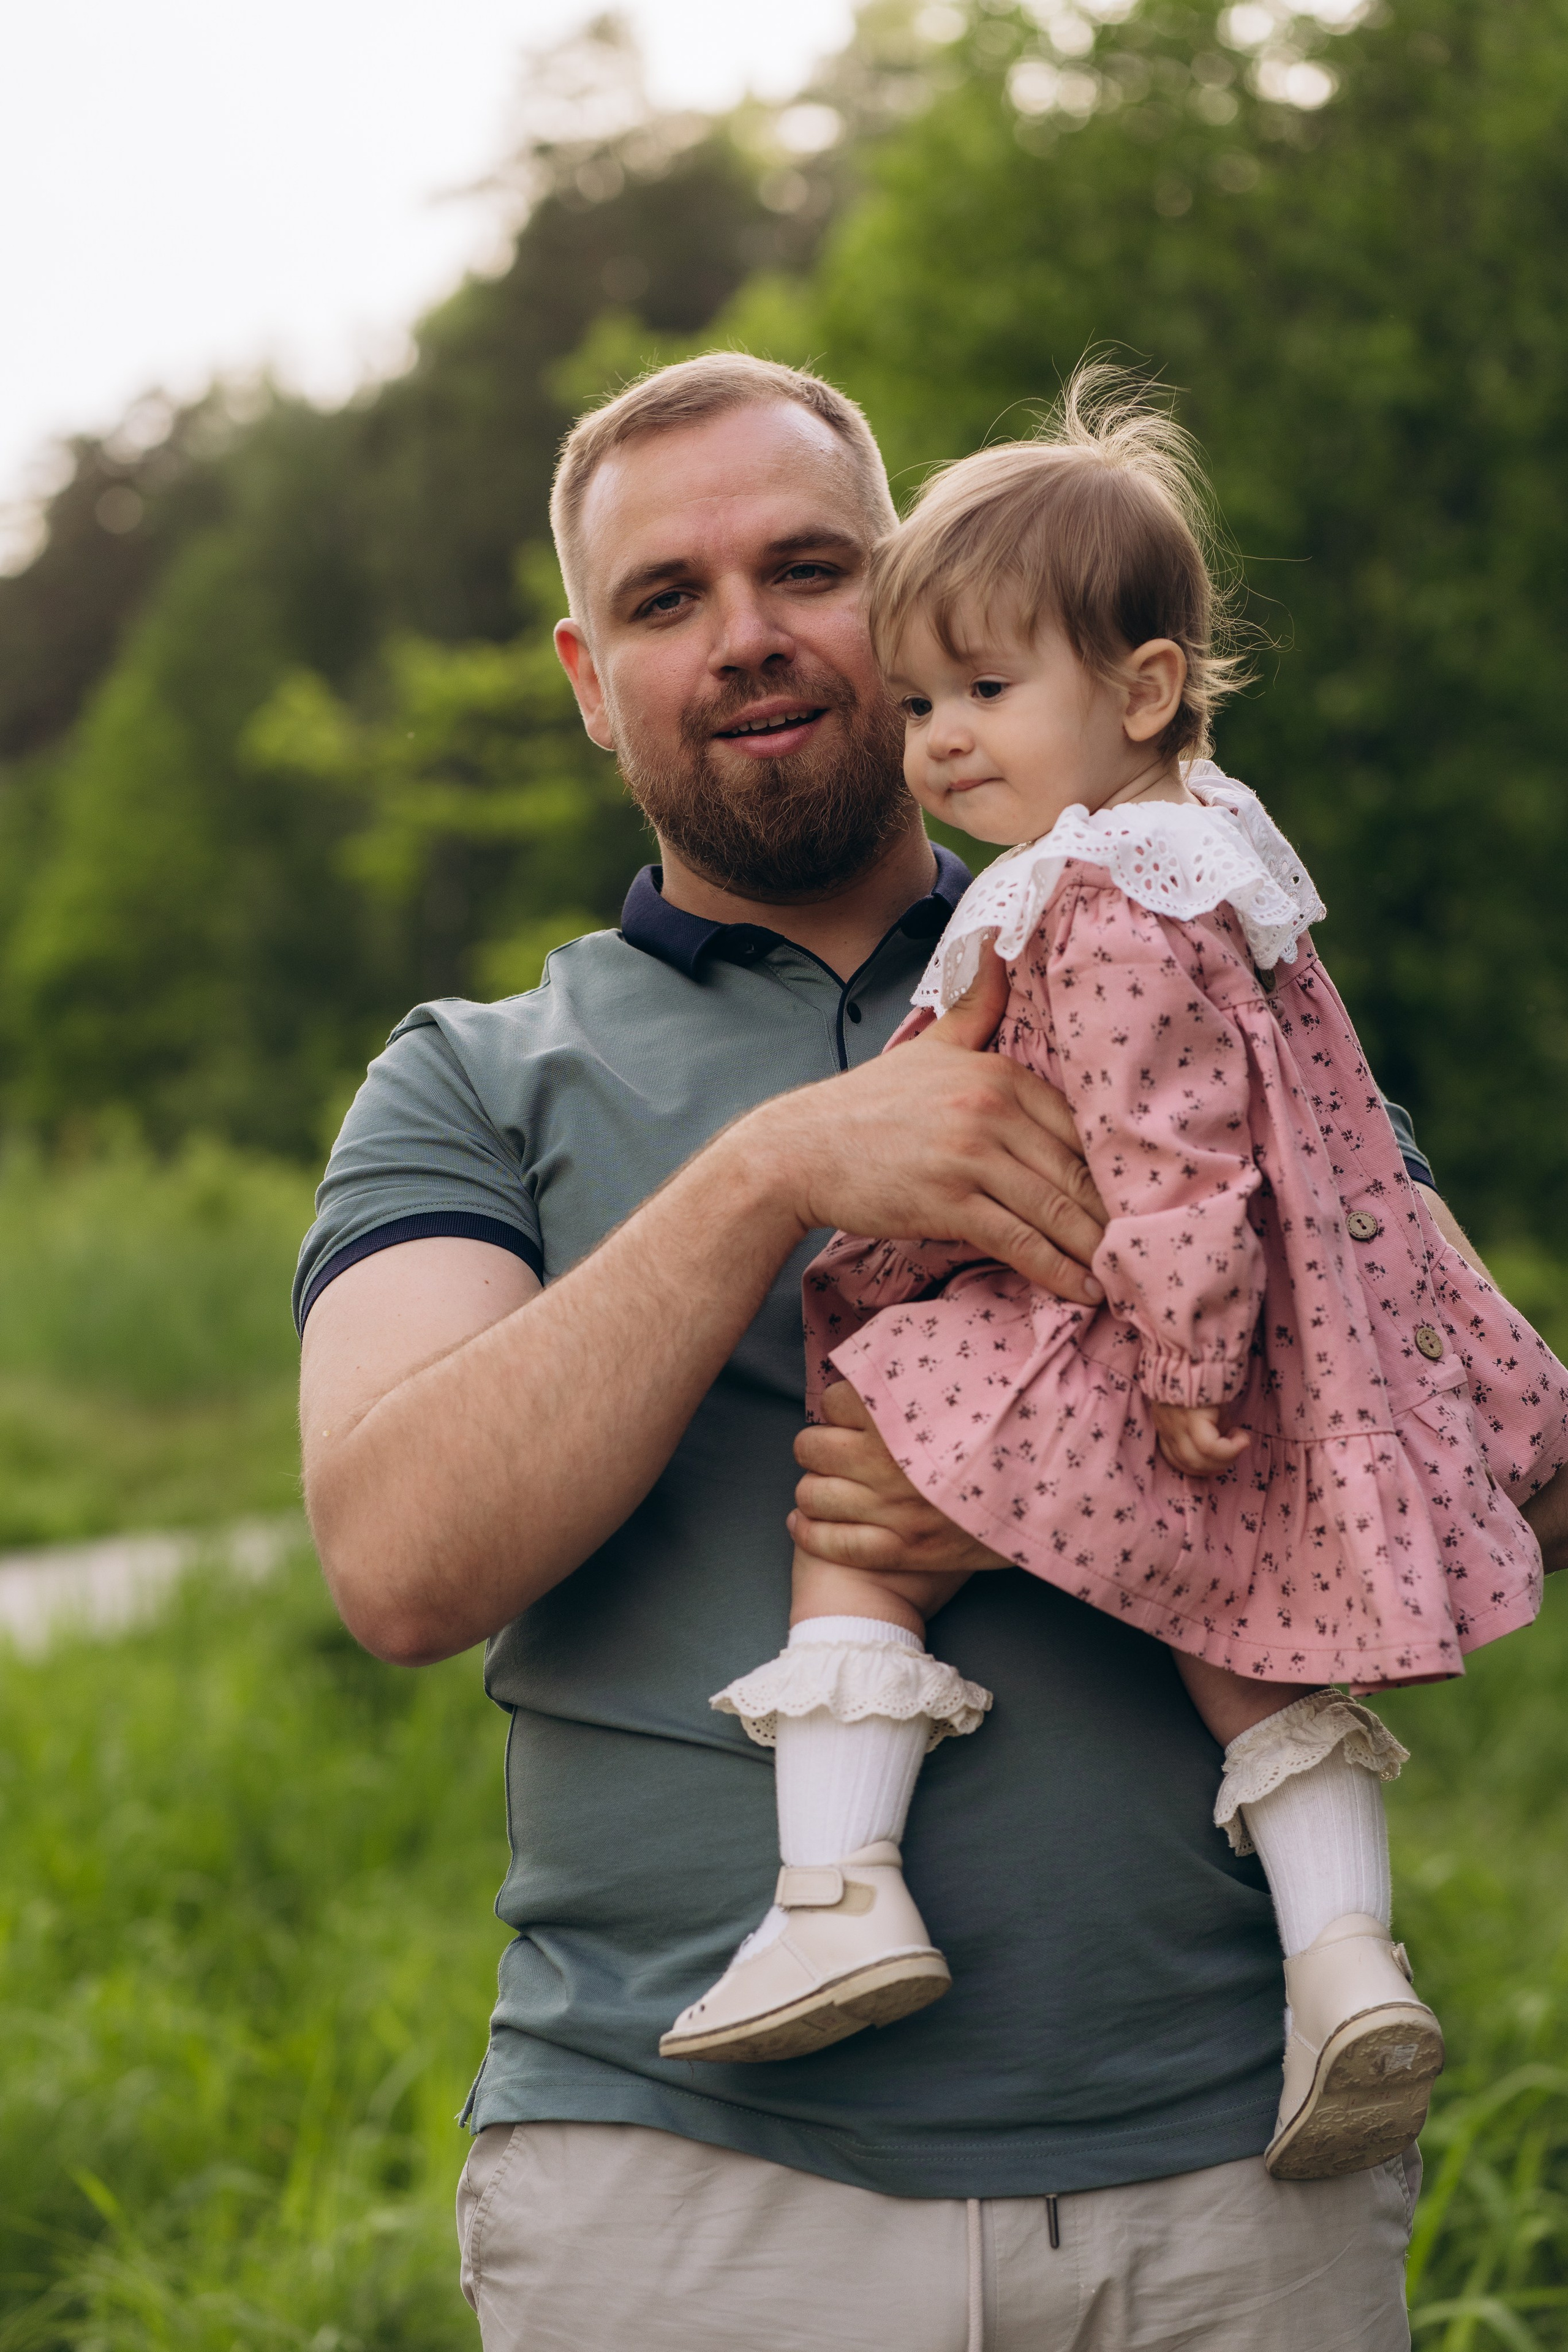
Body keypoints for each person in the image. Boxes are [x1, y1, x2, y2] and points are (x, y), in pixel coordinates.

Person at [296, 353, 1568, 2351]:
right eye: (664, 599)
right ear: (583, 674)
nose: (745, 638)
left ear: (917, 598)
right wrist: (770, 1172)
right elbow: (398, 1562)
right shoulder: (471, 1080)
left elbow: (1479, 1454)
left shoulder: (1194, 962)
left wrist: (1065, 1483)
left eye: (808, 568)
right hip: (687, 2194)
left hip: (1230, 2178)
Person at [660, 374, 1568, 2199]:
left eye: (985, 695)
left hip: (1167, 1330)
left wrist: (1178, 1361)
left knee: (870, 1439)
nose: (935, 742)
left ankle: (838, 1884)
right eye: (921, 703)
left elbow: (1170, 1156)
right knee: (1248, 1628)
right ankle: (1342, 1960)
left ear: (1142, 692)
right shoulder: (1213, 865)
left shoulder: (1099, 895)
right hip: (1272, 1328)